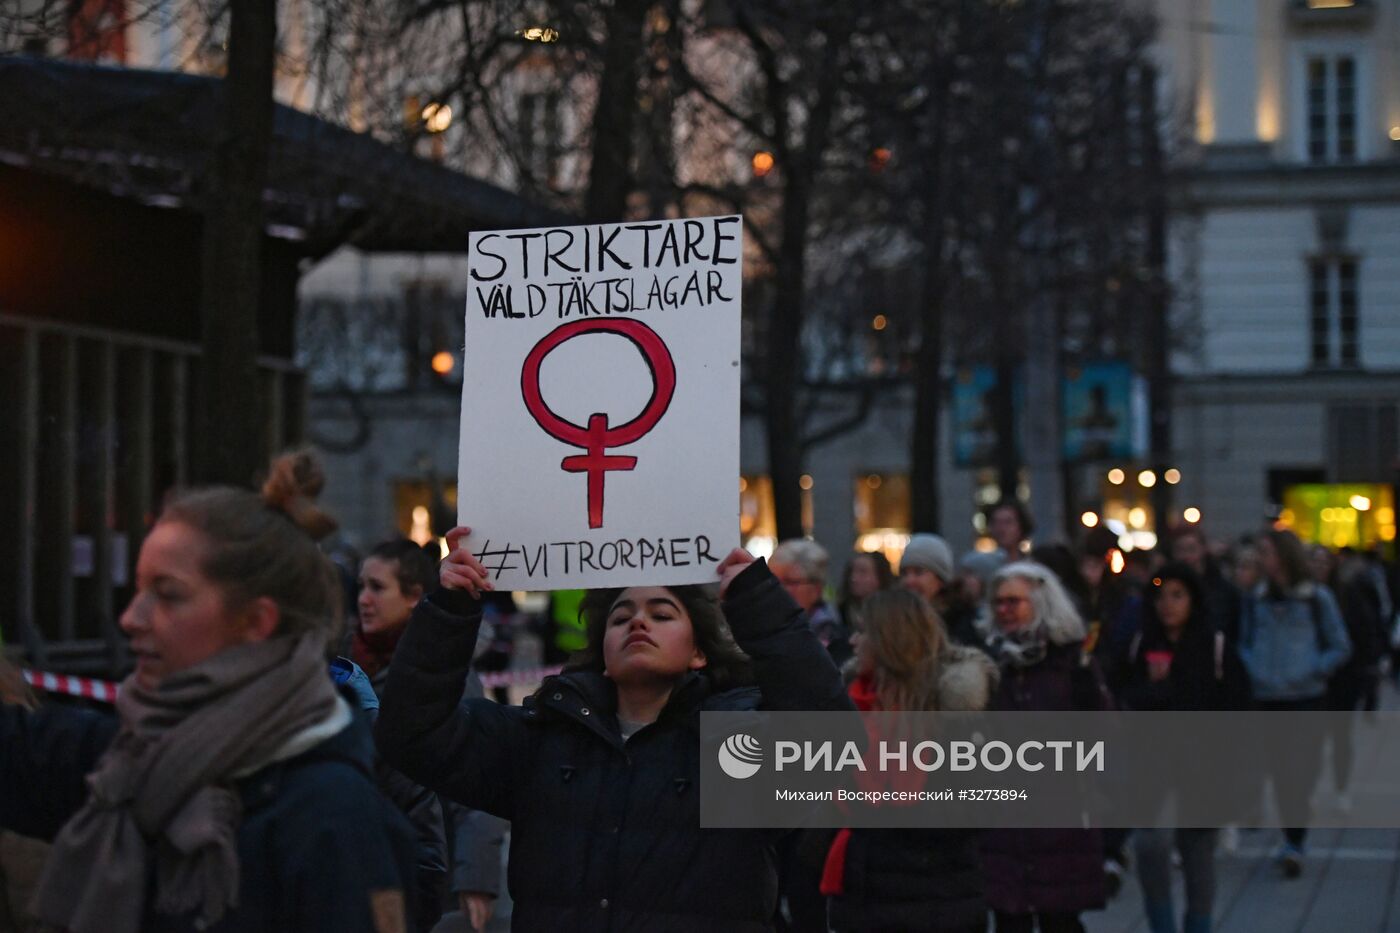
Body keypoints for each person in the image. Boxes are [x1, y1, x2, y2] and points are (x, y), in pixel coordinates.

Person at [0, 451, 417, 932]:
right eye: (138, 589)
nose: (131, 618)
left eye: (168, 594)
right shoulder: (131, 759)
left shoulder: (337, 824)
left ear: (255, 622)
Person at [376, 527, 854, 931]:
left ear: (699, 653)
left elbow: (833, 749)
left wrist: (757, 602)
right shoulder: (543, 741)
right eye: (621, 617)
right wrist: (450, 610)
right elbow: (413, 735)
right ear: (602, 653)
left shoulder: (733, 750)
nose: (638, 622)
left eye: (662, 614)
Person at [349, 538, 505, 933]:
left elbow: (477, 776)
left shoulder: (444, 676)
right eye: (361, 586)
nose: (364, 599)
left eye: (377, 587)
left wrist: (475, 877)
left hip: (434, 870)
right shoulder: (348, 669)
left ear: (414, 597)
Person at [822, 590, 998, 932]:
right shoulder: (853, 705)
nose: (855, 642)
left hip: (937, 900)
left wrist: (884, 813)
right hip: (865, 896)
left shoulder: (954, 714)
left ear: (889, 640)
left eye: (864, 632)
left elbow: (977, 808)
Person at [979, 562, 1112, 933]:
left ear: (1040, 602)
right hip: (1004, 813)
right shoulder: (985, 663)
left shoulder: (1072, 661)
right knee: (1010, 917)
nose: (1004, 610)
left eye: (1013, 602)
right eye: (998, 603)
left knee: (1061, 918)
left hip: (1061, 810)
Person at [1122, 563, 1245, 933]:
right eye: (1161, 596)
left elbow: (1236, 708)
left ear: (1193, 599)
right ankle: (1161, 925)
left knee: (1197, 859)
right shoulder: (1142, 644)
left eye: (1178, 595)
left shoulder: (1214, 646)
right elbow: (1123, 700)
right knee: (1150, 844)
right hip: (1152, 767)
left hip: (1201, 768)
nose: (1168, 605)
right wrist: (1154, 689)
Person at [1236, 528, 1351, 877]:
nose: (1262, 560)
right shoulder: (1257, 598)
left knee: (1296, 773)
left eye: (1267, 553)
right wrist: (1252, 668)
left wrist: (1314, 670)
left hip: (1304, 697)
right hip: (1266, 695)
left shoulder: (1316, 598)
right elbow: (1244, 640)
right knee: (1274, 767)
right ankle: (1287, 828)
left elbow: (1340, 644)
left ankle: (1294, 840)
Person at [771, 538, 851, 665]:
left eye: (790, 582)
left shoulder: (835, 639)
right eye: (774, 581)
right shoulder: (763, 628)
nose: (779, 589)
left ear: (816, 589)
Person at [899, 534, 980, 647]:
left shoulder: (963, 623)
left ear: (941, 580)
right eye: (904, 573)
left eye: (918, 572)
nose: (908, 580)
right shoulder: (895, 620)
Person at [837, 551, 894, 630]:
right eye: (852, 572)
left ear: (880, 577)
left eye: (862, 572)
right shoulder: (839, 615)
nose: (853, 578)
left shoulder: (892, 616)